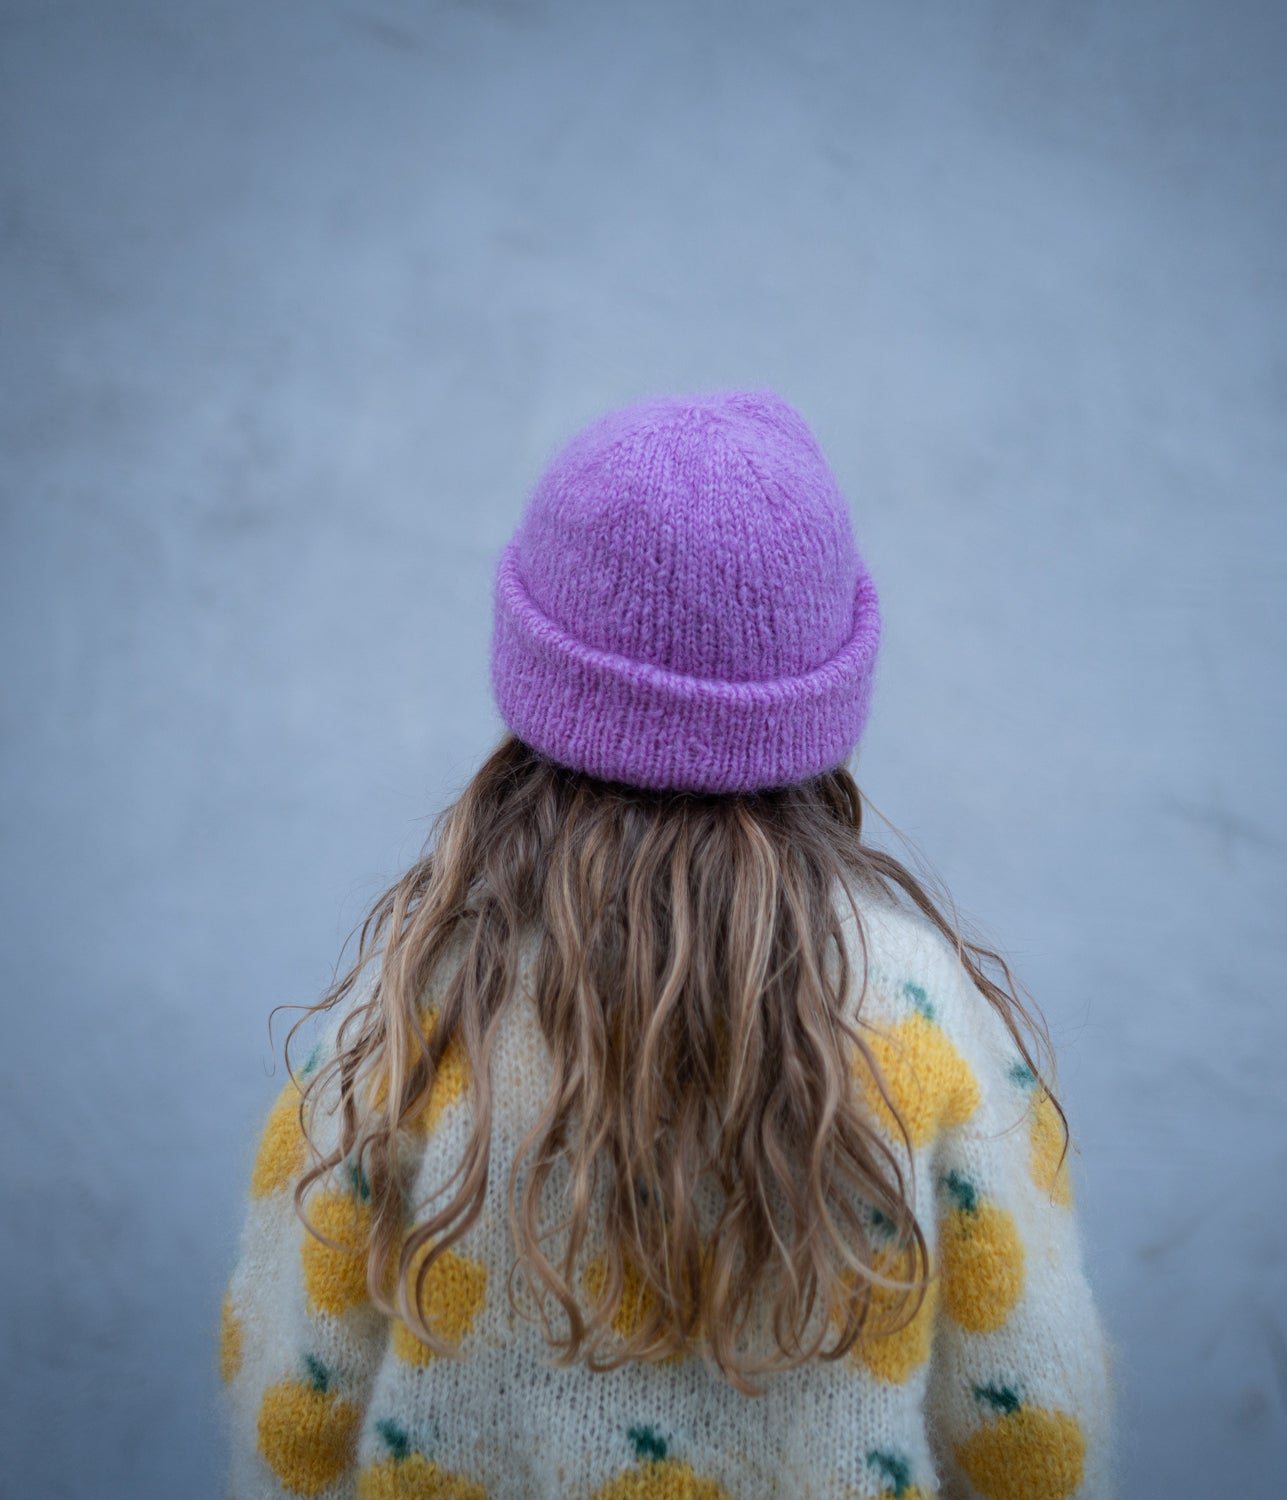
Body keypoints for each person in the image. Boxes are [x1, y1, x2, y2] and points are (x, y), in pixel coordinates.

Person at [219, 389, 1117, 1499]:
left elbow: (293, 1414)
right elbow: (1033, 1423)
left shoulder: (417, 999)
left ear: (538, 679)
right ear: (819, 703)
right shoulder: (915, 1011)